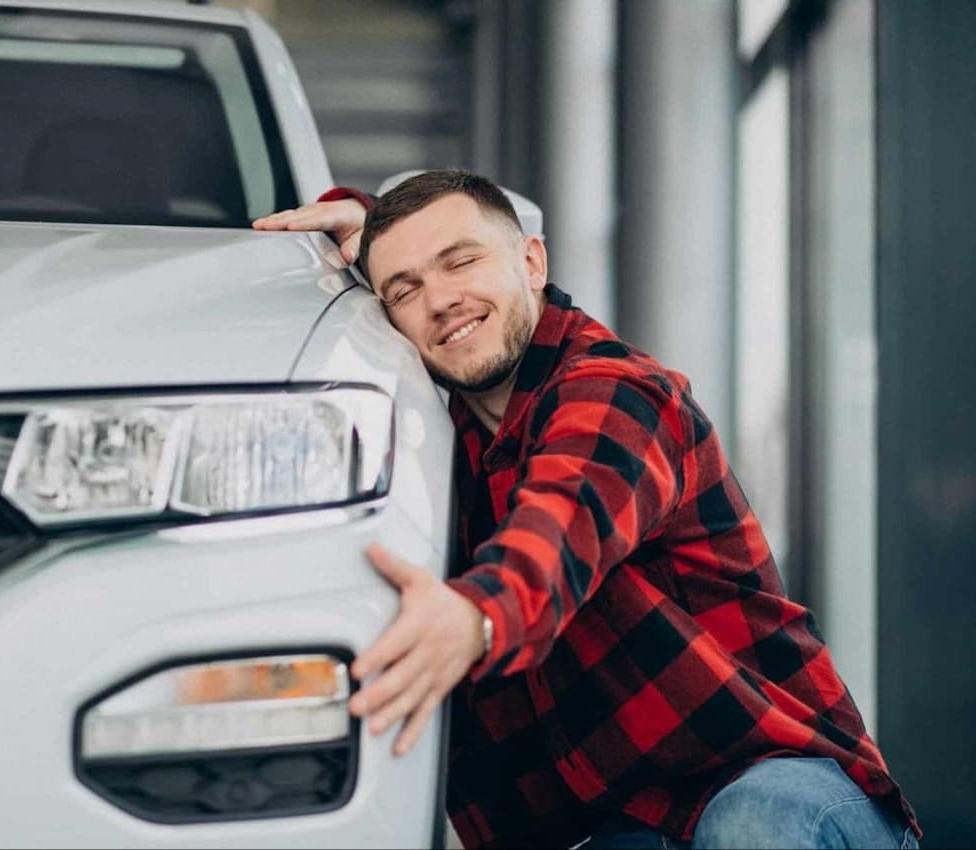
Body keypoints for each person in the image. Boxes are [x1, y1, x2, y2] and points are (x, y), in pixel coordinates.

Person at [253, 170, 920, 850]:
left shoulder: (615, 390)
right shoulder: (441, 438)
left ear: (532, 262)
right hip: (631, 824)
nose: (442, 299)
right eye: (406, 289)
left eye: (461, 261)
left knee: (750, 825)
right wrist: (363, 229)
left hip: (771, 787)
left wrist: (476, 614)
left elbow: (563, 521)